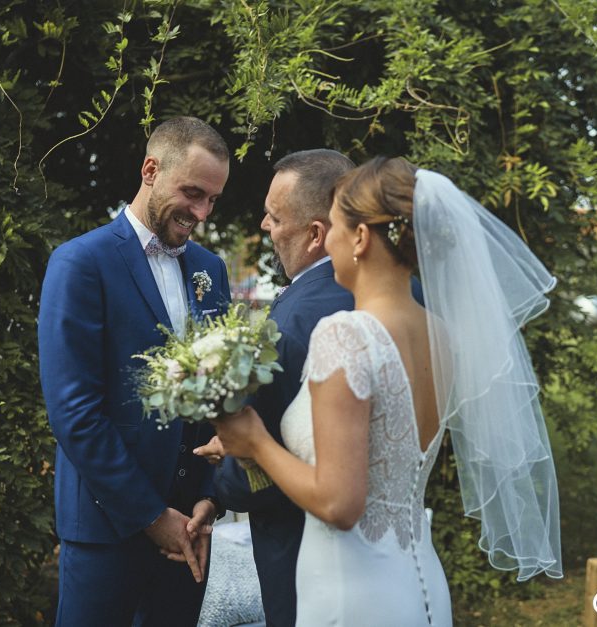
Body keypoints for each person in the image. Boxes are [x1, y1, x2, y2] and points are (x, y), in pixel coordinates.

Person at [214, 157, 563, 626]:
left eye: (335, 226)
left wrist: (254, 441)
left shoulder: (345, 335)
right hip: (419, 581)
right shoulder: (442, 336)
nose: (329, 240)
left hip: (351, 592)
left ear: (359, 238)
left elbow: (339, 504)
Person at [38, 116, 232, 627]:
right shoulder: (80, 262)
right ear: (151, 169)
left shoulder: (211, 271)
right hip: (107, 528)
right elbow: (74, 411)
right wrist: (150, 516)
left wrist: (212, 496)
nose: (202, 212)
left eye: (212, 199)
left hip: (191, 529)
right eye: (193, 193)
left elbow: (222, 393)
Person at [197, 149, 356, 627]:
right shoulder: (403, 301)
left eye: (274, 216)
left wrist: (225, 475)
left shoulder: (293, 321)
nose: (265, 226)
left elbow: (266, 461)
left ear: (315, 234)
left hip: (307, 559)